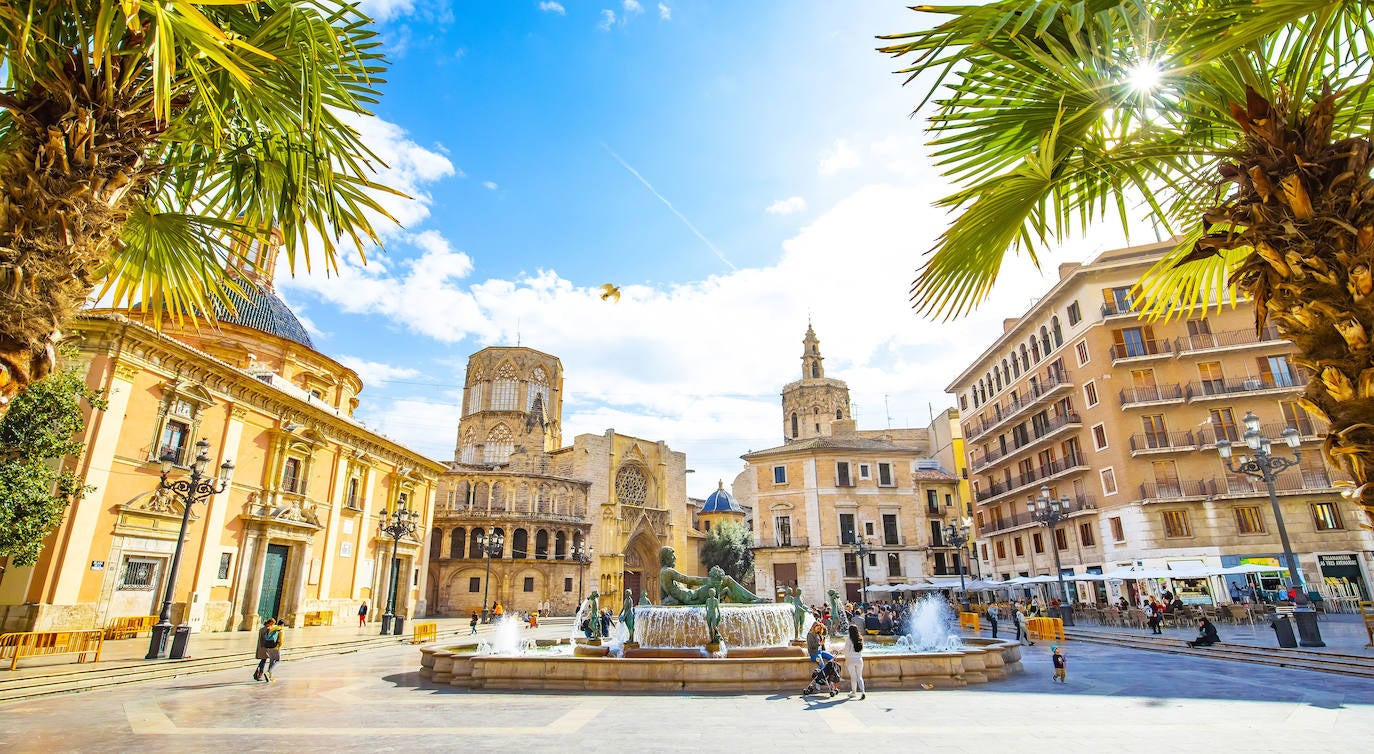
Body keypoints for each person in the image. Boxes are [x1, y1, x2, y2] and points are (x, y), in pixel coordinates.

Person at [254, 618, 282, 682]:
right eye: (273, 623)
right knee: (264, 661)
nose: (273, 625)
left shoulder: (262, 629)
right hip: (265, 647)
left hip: (260, 646)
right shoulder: (268, 629)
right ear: (270, 623)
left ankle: (258, 674)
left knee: (263, 660)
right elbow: (268, 639)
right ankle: (260, 674)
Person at [844, 620, 866, 700]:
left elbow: (846, 651)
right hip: (859, 660)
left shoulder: (849, 639)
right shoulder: (860, 638)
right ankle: (863, 692)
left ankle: (854, 692)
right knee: (860, 676)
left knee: (853, 677)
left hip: (851, 660)